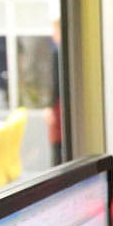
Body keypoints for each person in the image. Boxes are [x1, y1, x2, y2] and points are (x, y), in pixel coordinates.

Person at [43, 19, 63, 165]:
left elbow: (55, 83)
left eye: (54, 30)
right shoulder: (61, 51)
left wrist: (50, 107)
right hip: (58, 105)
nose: (52, 34)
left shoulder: (58, 52)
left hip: (58, 107)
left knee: (58, 146)